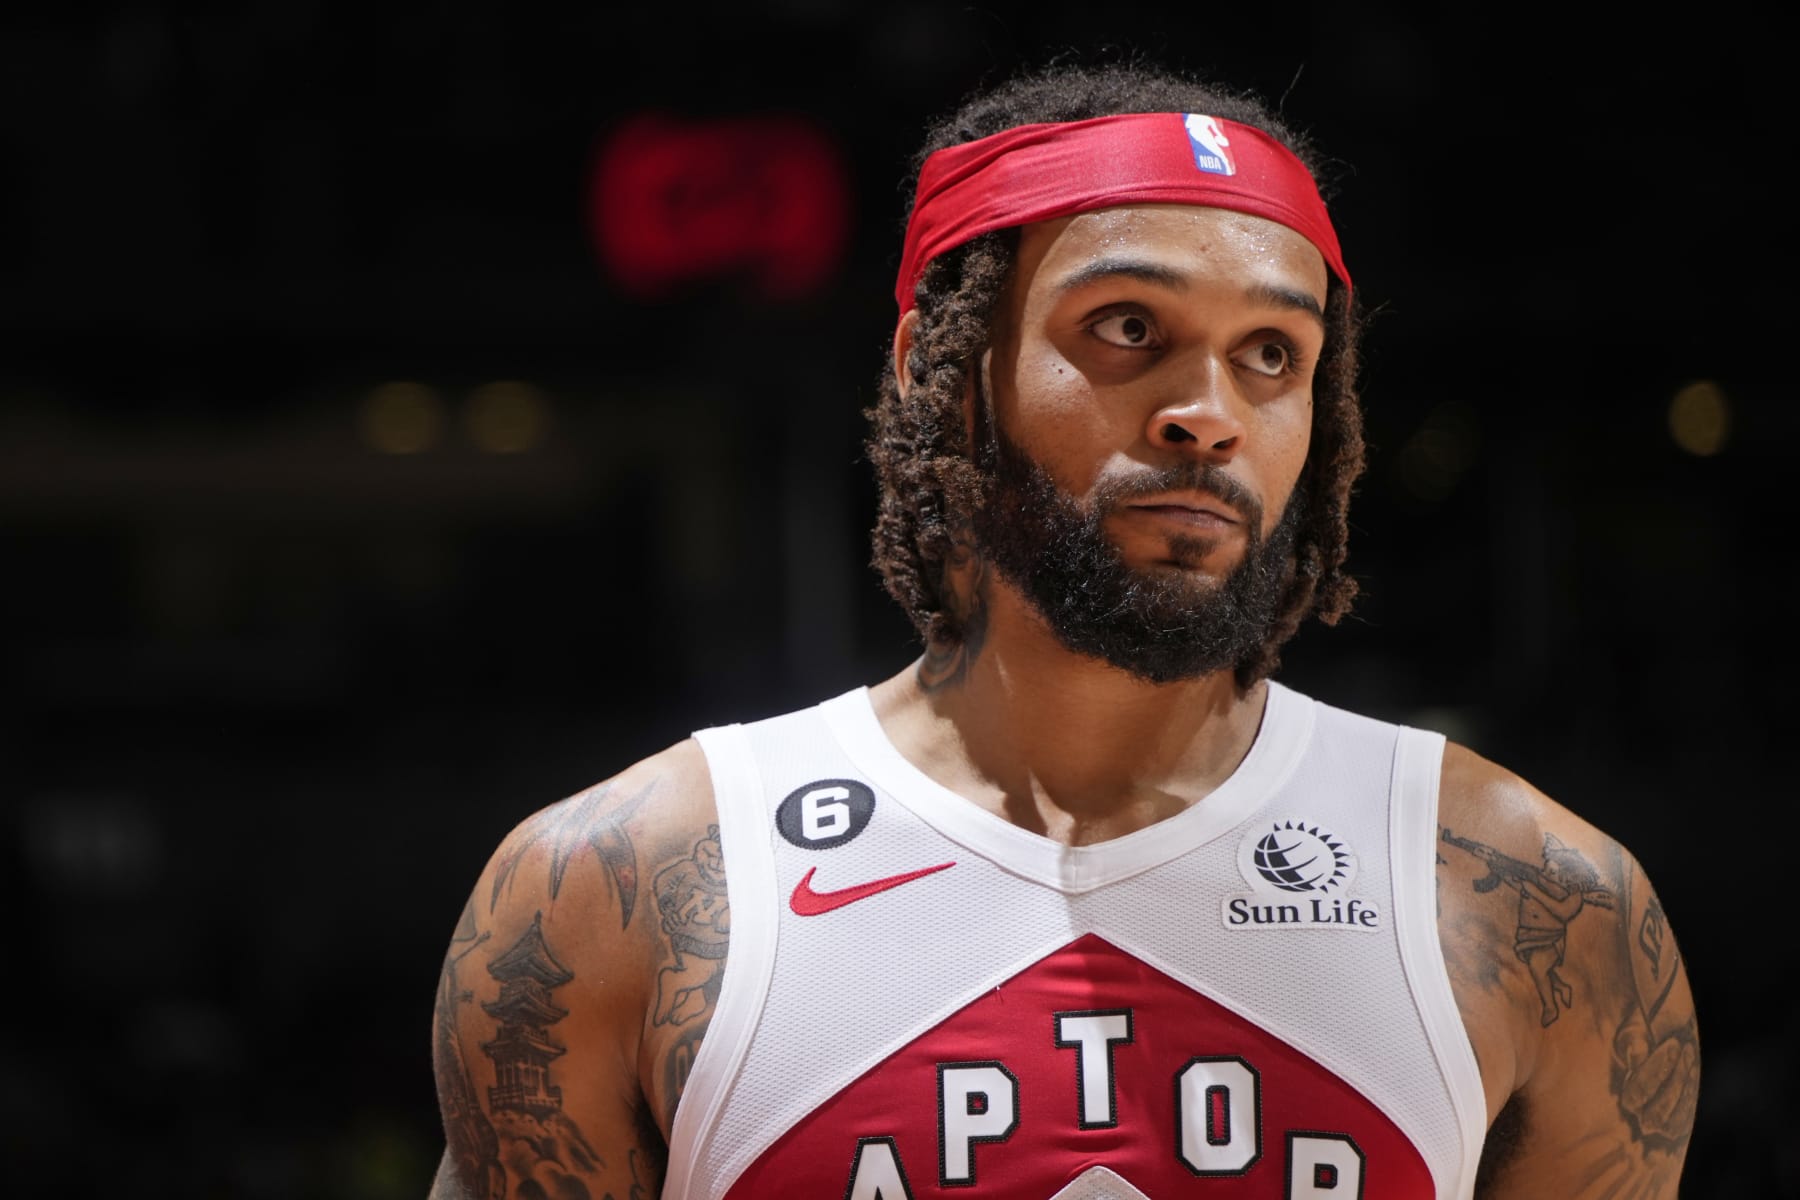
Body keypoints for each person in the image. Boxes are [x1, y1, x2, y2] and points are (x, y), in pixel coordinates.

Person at [428, 61, 1700, 1199]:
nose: (1207, 414)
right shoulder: (612, 893)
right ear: (947, 362)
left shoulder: (1541, 905)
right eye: (1129, 328)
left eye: (1271, 353)